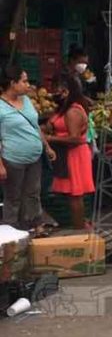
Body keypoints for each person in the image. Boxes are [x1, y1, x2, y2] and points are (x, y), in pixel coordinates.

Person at [0, 65, 56, 233]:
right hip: (13, 159)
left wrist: (47, 147)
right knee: (13, 196)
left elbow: (34, 126)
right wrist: (1, 165)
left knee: (33, 193)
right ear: (12, 83)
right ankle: (11, 230)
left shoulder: (26, 101)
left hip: (35, 157)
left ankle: (35, 225)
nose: (28, 85)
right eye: (24, 81)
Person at [43, 73, 95, 229]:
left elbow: (75, 139)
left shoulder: (73, 111)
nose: (54, 92)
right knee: (71, 195)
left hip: (75, 155)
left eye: (57, 89)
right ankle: (80, 225)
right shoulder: (63, 109)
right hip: (66, 154)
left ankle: (79, 229)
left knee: (75, 195)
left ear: (66, 91)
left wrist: (50, 139)